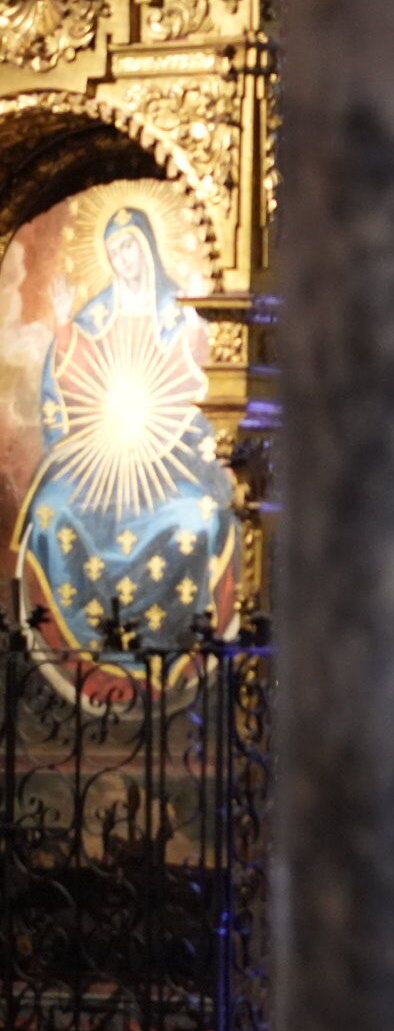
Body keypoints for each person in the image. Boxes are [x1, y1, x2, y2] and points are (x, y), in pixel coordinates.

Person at [11, 205, 240, 709]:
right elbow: (66, 386)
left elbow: (205, 393)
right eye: (114, 250)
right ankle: (84, 664)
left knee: (200, 520)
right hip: (98, 458)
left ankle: (174, 665)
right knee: (50, 514)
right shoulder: (92, 318)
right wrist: (65, 325)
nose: (123, 258)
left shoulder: (178, 318)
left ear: (149, 248)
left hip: (170, 462)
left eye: (131, 245)